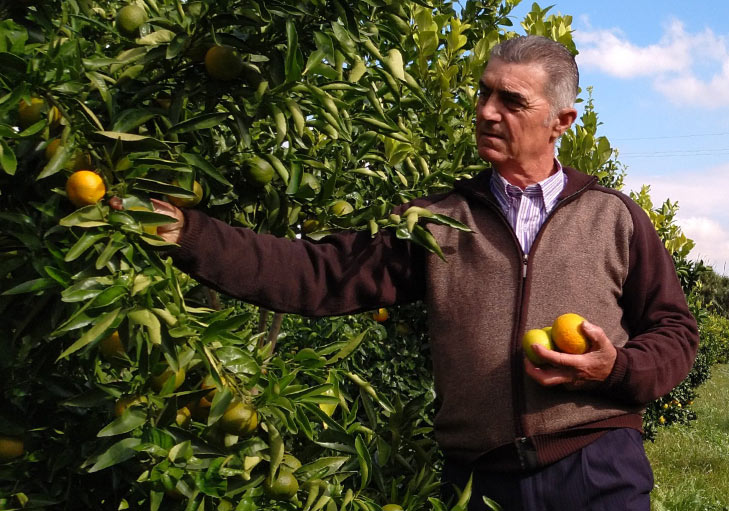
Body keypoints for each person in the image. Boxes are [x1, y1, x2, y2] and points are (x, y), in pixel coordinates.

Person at [137, 35, 699, 510]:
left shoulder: (612, 215)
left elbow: (675, 332)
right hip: (481, 481)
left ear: (561, 122)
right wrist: (191, 235)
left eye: (511, 99)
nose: (485, 110)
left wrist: (615, 368)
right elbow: (322, 274)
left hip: (595, 470)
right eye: (483, 92)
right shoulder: (437, 221)